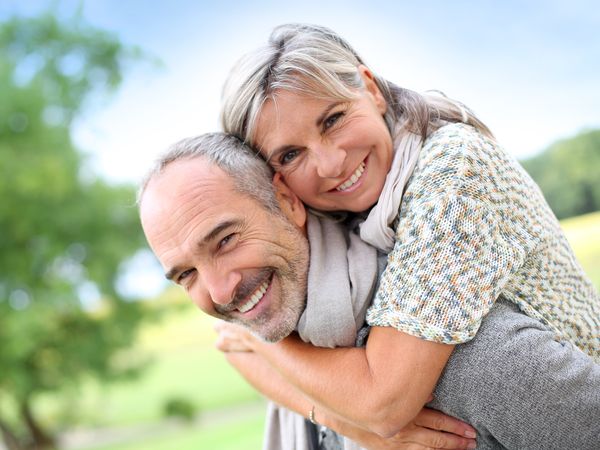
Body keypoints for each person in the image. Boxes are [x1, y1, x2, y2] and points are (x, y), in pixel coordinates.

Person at [138, 133, 600, 450]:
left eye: (225, 240)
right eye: (186, 275)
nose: (219, 292)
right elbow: (233, 344)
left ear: (285, 200)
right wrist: (346, 420)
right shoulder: (299, 335)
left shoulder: (471, 354)